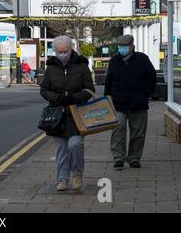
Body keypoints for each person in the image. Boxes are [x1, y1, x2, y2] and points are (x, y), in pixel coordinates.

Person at [40, 35, 95, 192]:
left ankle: (77, 175)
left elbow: (89, 89)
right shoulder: (50, 67)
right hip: (57, 115)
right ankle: (62, 179)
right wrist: (57, 98)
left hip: (77, 113)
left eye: (65, 51)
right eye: (59, 51)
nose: (62, 54)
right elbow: (44, 90)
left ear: (71, 49)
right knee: (61, 150)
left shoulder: (82, 65)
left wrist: (73, 98)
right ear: (55, 51)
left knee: (75, 144)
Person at [105, 35, 156, 170]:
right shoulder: (114, 61)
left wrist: (145, 94)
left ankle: (134, 157)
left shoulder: (142, 59)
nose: (121, 49)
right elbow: (109, 81)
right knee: (118, 130)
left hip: (138, 103)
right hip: (119, 103)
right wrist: (108, 97)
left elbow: (151, 77)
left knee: (138, 133)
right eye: (120, 46)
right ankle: (118, 157)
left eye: (124, 46)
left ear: (132, 46)